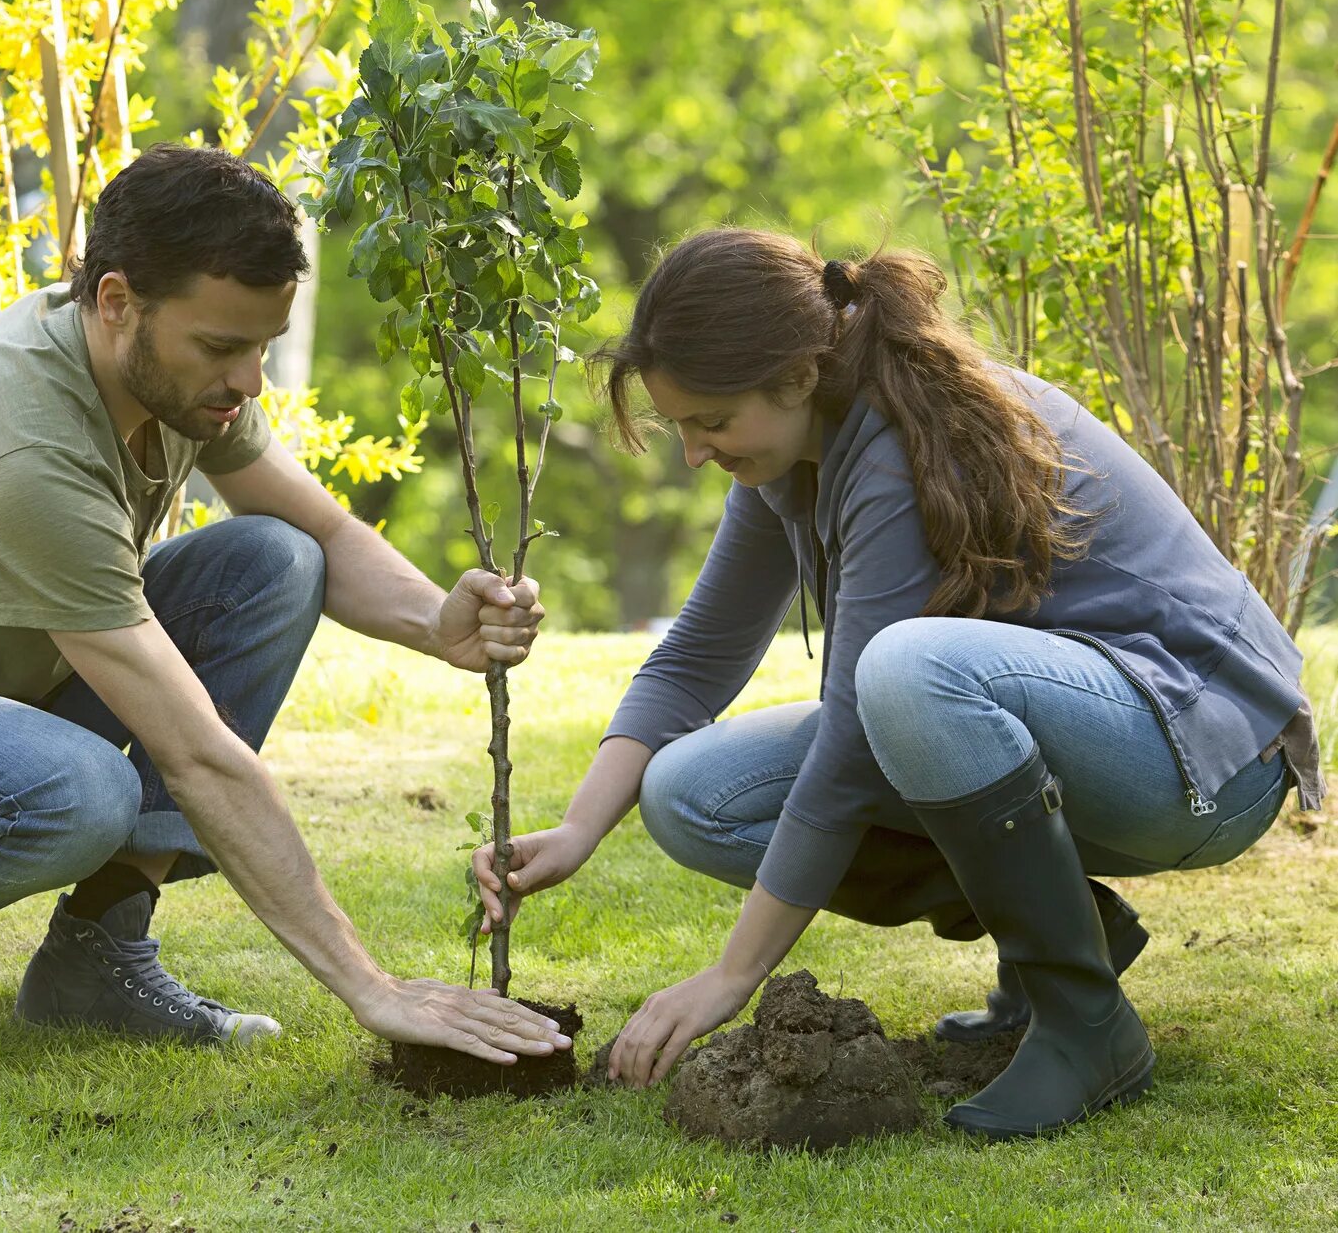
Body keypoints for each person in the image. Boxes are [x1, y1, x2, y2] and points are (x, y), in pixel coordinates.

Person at [0, 144, 568, 1071]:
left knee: (272, 560)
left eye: (259, 346)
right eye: (223, 348)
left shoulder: (177, 385)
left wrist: (435, 622)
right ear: (115, 303)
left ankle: (98, 953)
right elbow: (195, 755)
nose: (248, 382)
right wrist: (370, 987)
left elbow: (328, 536)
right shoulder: (19, 439)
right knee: (79, 792)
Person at [473, 227, 1319, 1139]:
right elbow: (695, 655)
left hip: (1200, 751)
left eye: (710, 422)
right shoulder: (793, 456)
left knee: (908, 671)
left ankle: (1086, 1025)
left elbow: (850, 745)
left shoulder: (899, 447)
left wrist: (731, 974)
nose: (691, 452)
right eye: (681, 424)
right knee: (688, 794)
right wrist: (581, 827)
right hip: (1077, 724)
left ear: (798, 375)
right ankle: (1065, 942)